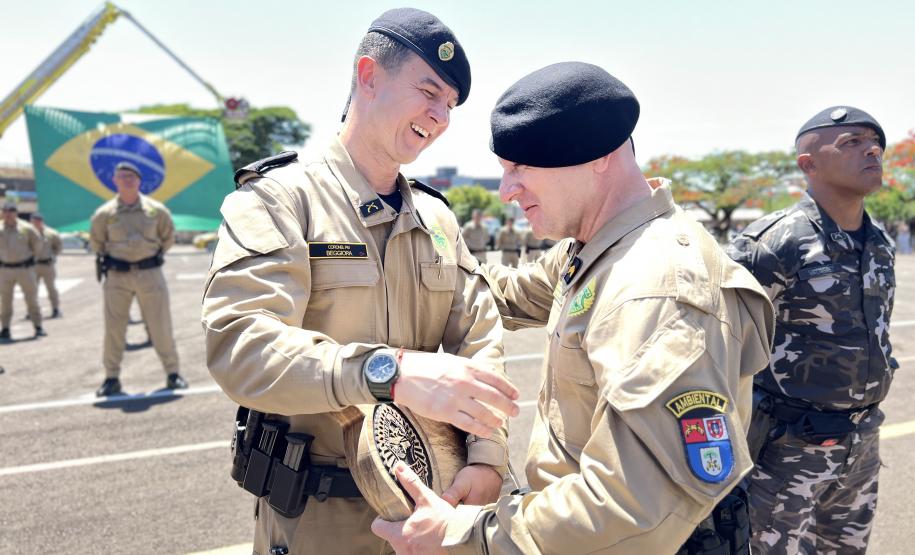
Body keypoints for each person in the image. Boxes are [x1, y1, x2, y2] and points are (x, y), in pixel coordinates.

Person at [373, 62, 775, 554]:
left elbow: (633, 504)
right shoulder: (596, 248)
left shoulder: (655, 286)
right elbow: (502, 293)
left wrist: (462, 538)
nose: (507, 191)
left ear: (598, 156)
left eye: (522, 167)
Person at [201, 8, 518, 555]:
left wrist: (487, 454)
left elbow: (478, 336)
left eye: (449, 104)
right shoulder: (281, 199)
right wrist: (384, 372)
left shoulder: (438, 219)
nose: (439, 115)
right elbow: (241, 344)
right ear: (368, 75)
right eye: (428, 91)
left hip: (435, 510)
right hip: (317, 515)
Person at [727, 106, 896, 554]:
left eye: (874, 140)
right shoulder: (775, 242)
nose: (872, 149)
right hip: (787, 447)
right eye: (851, 142)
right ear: (808, 164)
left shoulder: (879, 242)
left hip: (860, 440)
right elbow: (718, 339)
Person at [89, 161, 187, 396]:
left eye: (131, 176)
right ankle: (111, 378)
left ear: (139, 181)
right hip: (117, 276)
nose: (127, 180)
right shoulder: (104, 214)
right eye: (122, 176)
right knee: (114, 328)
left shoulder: (156, 210)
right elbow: (97, 243)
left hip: (149, 274)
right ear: (114, 181)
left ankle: (173, 373)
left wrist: (150, 258)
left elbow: (167, 238)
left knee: (160, 325)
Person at [0, 202, 45, 339]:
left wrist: (32, 260)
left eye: (11, 211)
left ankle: (38, 327)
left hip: (25, 269)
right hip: (5, 270)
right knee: (5, 301)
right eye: (6, 211)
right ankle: (5, 328)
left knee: (31, 299)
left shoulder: (27, 228)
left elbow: (38, 244)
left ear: (16, 213)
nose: (8, 214)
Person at [29, 212, 62, 318]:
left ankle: (56, 309)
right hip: (33, 265)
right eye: (34, 221)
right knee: (31, 289)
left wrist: (53, 255)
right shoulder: (28, 233)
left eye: (38, 221)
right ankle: (32, 311)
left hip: (47, 264)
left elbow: (58, 246)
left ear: (41, 221)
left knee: (51, 288)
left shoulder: (51, 233)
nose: (36, 223)